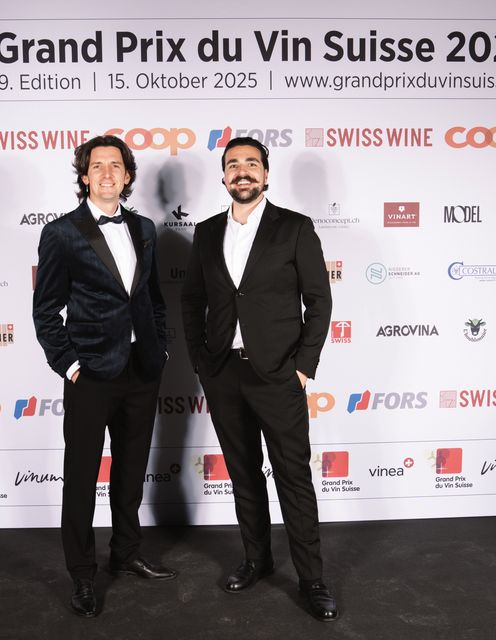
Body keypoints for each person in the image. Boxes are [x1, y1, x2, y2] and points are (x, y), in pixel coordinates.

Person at [181, 137, 338, 621]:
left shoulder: (294, 227)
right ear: (224, 176)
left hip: (278, 374)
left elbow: (319, 301)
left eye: (251, 163)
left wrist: (303, 366)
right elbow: (192, 302)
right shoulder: (206, 232)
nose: (242, 171)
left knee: (293, 476)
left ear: (266, 175)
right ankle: (257, 559)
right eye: (233, 164)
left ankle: (311, 579)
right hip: (223, 373)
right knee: (243, 471)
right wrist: (203, 361)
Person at [33, 134, 175, 619]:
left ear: (128, 175)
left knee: (131, 471)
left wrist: (160, 348)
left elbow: (153, 298)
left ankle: (126, 552)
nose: (108, 173)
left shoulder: (144, 228)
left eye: (116, 165)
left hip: (141, 369)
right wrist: (70, 365)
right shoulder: (61, 233)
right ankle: (82, 574)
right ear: (85, 175)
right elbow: (45, 310)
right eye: (98, 166)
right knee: (80, 477)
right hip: (91, 374)